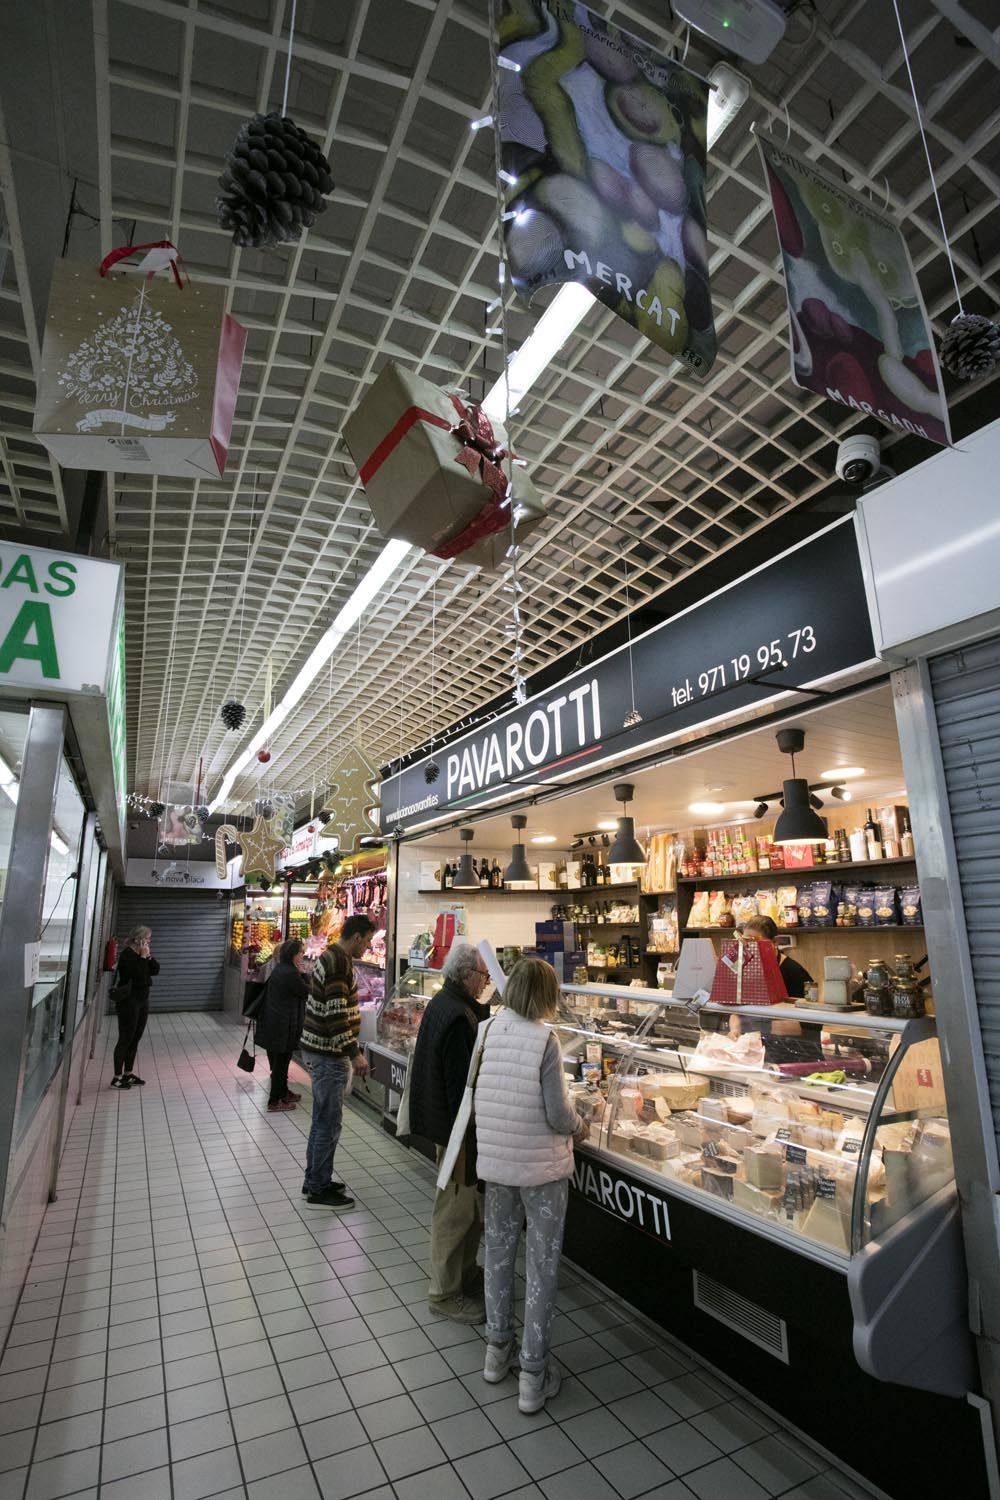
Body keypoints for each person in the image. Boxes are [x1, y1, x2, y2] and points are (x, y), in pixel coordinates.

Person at [473, 956, 588, 1414]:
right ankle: (533, 1376)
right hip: (541, 1172)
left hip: (497, 1166)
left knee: (498, 1257)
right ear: (545, 995)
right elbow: (559, 1115)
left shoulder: (486, 1030)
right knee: (541, 1268)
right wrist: (582, 1122)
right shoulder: (546, 1040)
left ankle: (495, 1353)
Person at [409, 941, 493, 1324]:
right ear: (466, 976)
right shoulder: (458, 1017)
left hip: (444, 1121)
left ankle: (465, 1272)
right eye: (483, 976)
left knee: (468, 1208)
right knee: (455, 1210)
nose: (485, 983)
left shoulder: (446, 1003)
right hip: (456, 1128)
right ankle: (443, 1292)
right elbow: (464, 1084)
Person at [300, 914, 374, 1210]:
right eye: (367, 941)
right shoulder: (338, 963)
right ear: (356, 937)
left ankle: (315, 1179)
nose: (368, 947)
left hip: (320, 1050)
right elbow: (335, 1014)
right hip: (328, 1054)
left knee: (322, 1120)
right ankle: (318, 1188)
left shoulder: (331, 957)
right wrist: (354, 1053)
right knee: (328, 1122)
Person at [724, 916, 822, 1066]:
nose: (751, 948)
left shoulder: (794, 972)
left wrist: (760, 1026)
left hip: (796, 1059)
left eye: (756, 942)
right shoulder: (747, 969)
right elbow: (737, 1011)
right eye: (746, 943)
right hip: (759, 1056)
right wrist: (735, 1030)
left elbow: (812, 1024)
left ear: (774, 943)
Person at [255, 938, 309, 1112]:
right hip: (282, 1026)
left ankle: (283, 1092)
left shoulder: (281, 969)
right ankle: (274, 1100)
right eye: (301, 952)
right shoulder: (290, 973)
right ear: (294, 955)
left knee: (282, 1063)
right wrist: (305, 974)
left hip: (276, 1023)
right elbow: (306, 991)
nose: (303, 955)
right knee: (281, 1064)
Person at [110, 926, 159, 1089]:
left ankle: (128, 1073)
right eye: (148, 939)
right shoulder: (127, 956)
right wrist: (143, 958)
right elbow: (137, 974)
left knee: (136, 1038)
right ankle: (116, 1077)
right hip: (128, 1002)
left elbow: (155, 970)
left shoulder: (142, 955)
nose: (149, 942)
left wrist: (148, 956)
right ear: (138, 940)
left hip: (142, 1000)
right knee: (125, 1038)